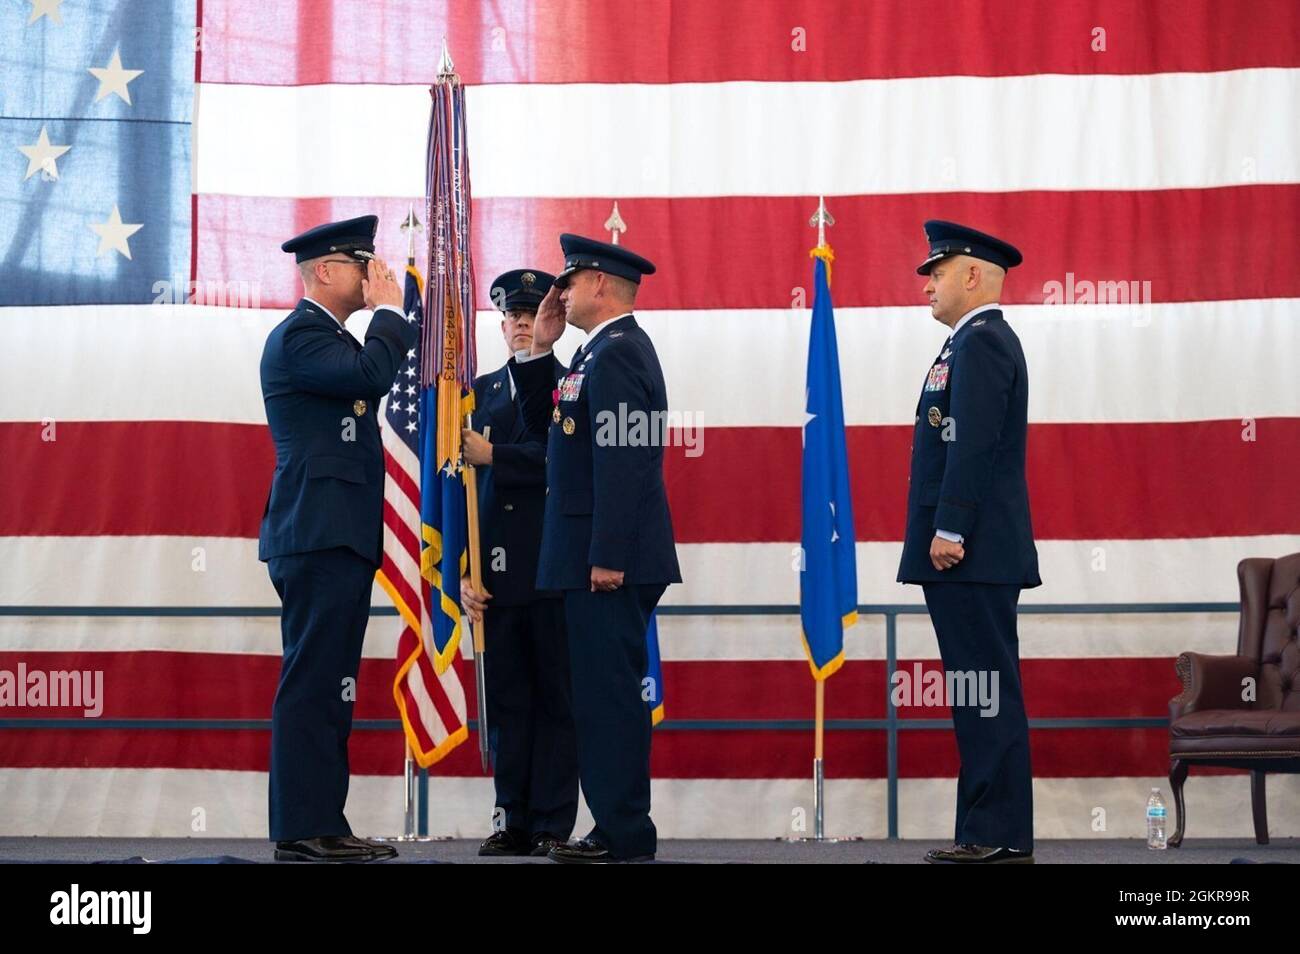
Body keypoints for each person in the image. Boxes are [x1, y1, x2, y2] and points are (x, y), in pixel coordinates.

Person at [512, 233, 681, 863]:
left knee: (609, 698)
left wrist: (607, 552)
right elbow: (545, 430)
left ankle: (621, 831)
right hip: (592, 555)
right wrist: (539, 350)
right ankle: (614, 825)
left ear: (601, 285)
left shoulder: (619, 355)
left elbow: (625, 461)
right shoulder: (595, 355)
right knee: (598, 695)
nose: (559, 293)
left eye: (571, 281)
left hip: (609, 559)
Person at [259, 215, 414, 862]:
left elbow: (364, 375)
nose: (371, 274)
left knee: (331, 684)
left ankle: (323, 822)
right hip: (316, 531)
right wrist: (392, 314)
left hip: (338, 533)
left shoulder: (329, 339)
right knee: (315, 683)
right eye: (361, 263)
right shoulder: (302, 336)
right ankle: (303, 829)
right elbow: (370, 377)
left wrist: (381, 317)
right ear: (326, 271)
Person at [898, 220, 1041, 864]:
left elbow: (973, 442)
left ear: (973, 274)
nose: (928, 282)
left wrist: (949, 526)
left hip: (972, 548)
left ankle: (996, 834)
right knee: (975, 691)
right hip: (969, 549)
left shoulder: (982, 343)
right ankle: (984, 830)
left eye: (937, 271)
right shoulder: (966, 343)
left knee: (986, 690)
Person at [459, 268, 578, 857]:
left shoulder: (569, 382)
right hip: (497, 572)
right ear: (502, 324)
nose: (522, 324)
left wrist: (494, 453)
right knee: (508, 700)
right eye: (513, 316)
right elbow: (457, 493)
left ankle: (553, 822)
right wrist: (463, 569)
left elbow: (557, 456)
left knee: (557, 697)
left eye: (532, 315)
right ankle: (512, 817)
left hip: (553, 567)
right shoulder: (476, 392)